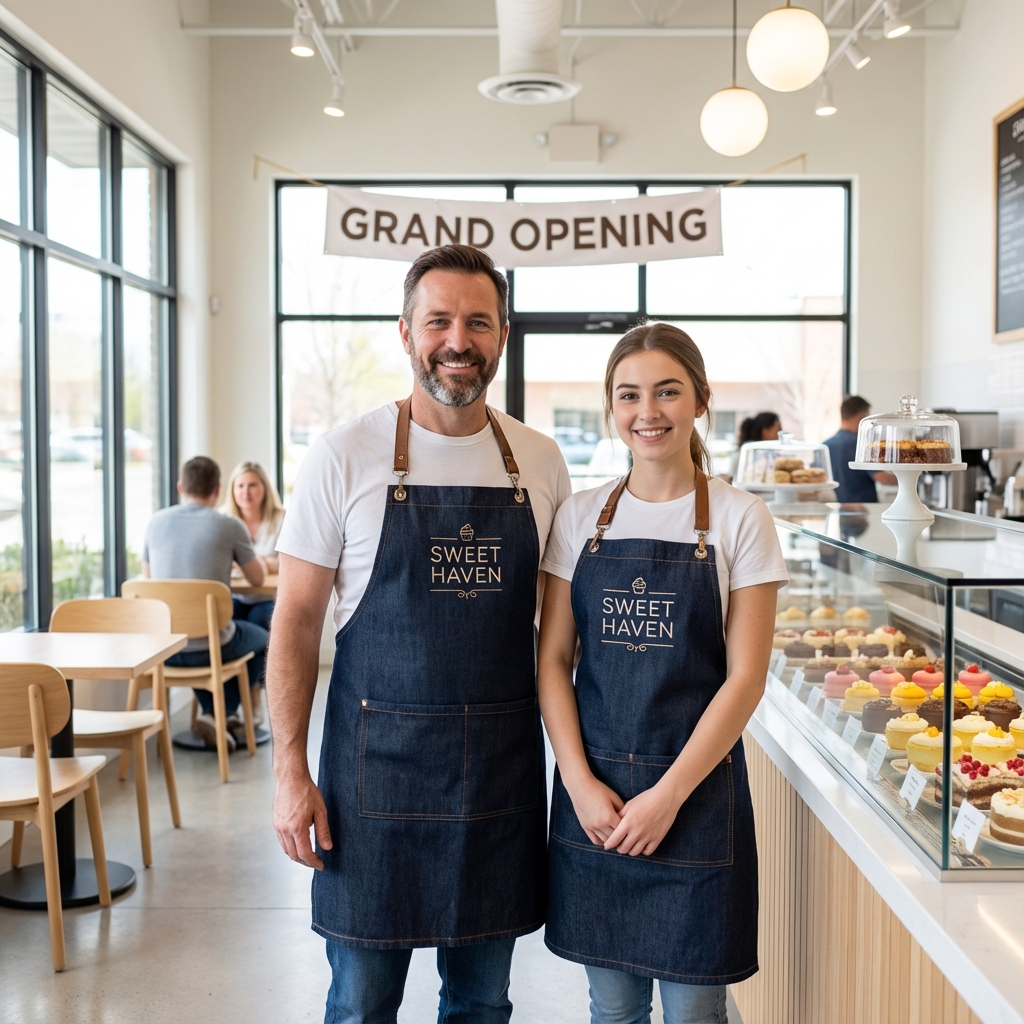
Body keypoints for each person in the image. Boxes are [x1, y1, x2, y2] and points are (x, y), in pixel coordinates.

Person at [267, 244, 571, 1024]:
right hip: (373, 786)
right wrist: (289, 772)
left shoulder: (538, 460)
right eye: (438, 320)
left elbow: (555, 641)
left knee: (481, 1002)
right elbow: (296, 625)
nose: (457, 340)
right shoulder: (344, 454)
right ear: (405, 332)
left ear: (503, 334)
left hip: (498, 781)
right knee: (362, 1002)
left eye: (478, 321)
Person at [536, 323, 788, 1024]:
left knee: (695, 1013)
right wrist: (579, 784)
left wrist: (669, 797)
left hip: (697, 801)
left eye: (668, 391)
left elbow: (745, 681)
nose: (649, 411)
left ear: (701, 400)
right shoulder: (581, 518)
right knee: (612, 1011)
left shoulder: (742, 520)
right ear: (612, 408)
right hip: (598, 805)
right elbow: (553, 661)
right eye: (630, 395)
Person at [143, 456, 269, 751]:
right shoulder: (229, 525)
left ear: (180, 487)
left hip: (164, 650)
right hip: (208, 649)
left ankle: (219, 715)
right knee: (262, 639)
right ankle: (222, 714)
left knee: (222, 636)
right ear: (218, 489)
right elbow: (256, 578)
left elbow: (149, 583)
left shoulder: (155, 522)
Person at [222, 460, 285, 634]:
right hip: (233, 596)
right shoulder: (223, 519)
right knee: (227, 619)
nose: (245, 492)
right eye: (240, 486)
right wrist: (265, 563)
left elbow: (289, 564)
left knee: (260, 619)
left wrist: (244, 562)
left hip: (268, 597)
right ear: (232, 490)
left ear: (264, 487)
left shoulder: (283, 518)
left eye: (252, 485)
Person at [823, 395, 897, 502]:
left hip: (836, 508)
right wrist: (910, 479)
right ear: (859, 416)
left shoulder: (826, 445)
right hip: (863, 509)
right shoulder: (861, 445)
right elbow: (883, 478)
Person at [725, 411, 781, 481]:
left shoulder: (772, 453)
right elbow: (730, 479)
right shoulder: (746, 451)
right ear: (765, 430)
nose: (779, 434)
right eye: (778, 430)